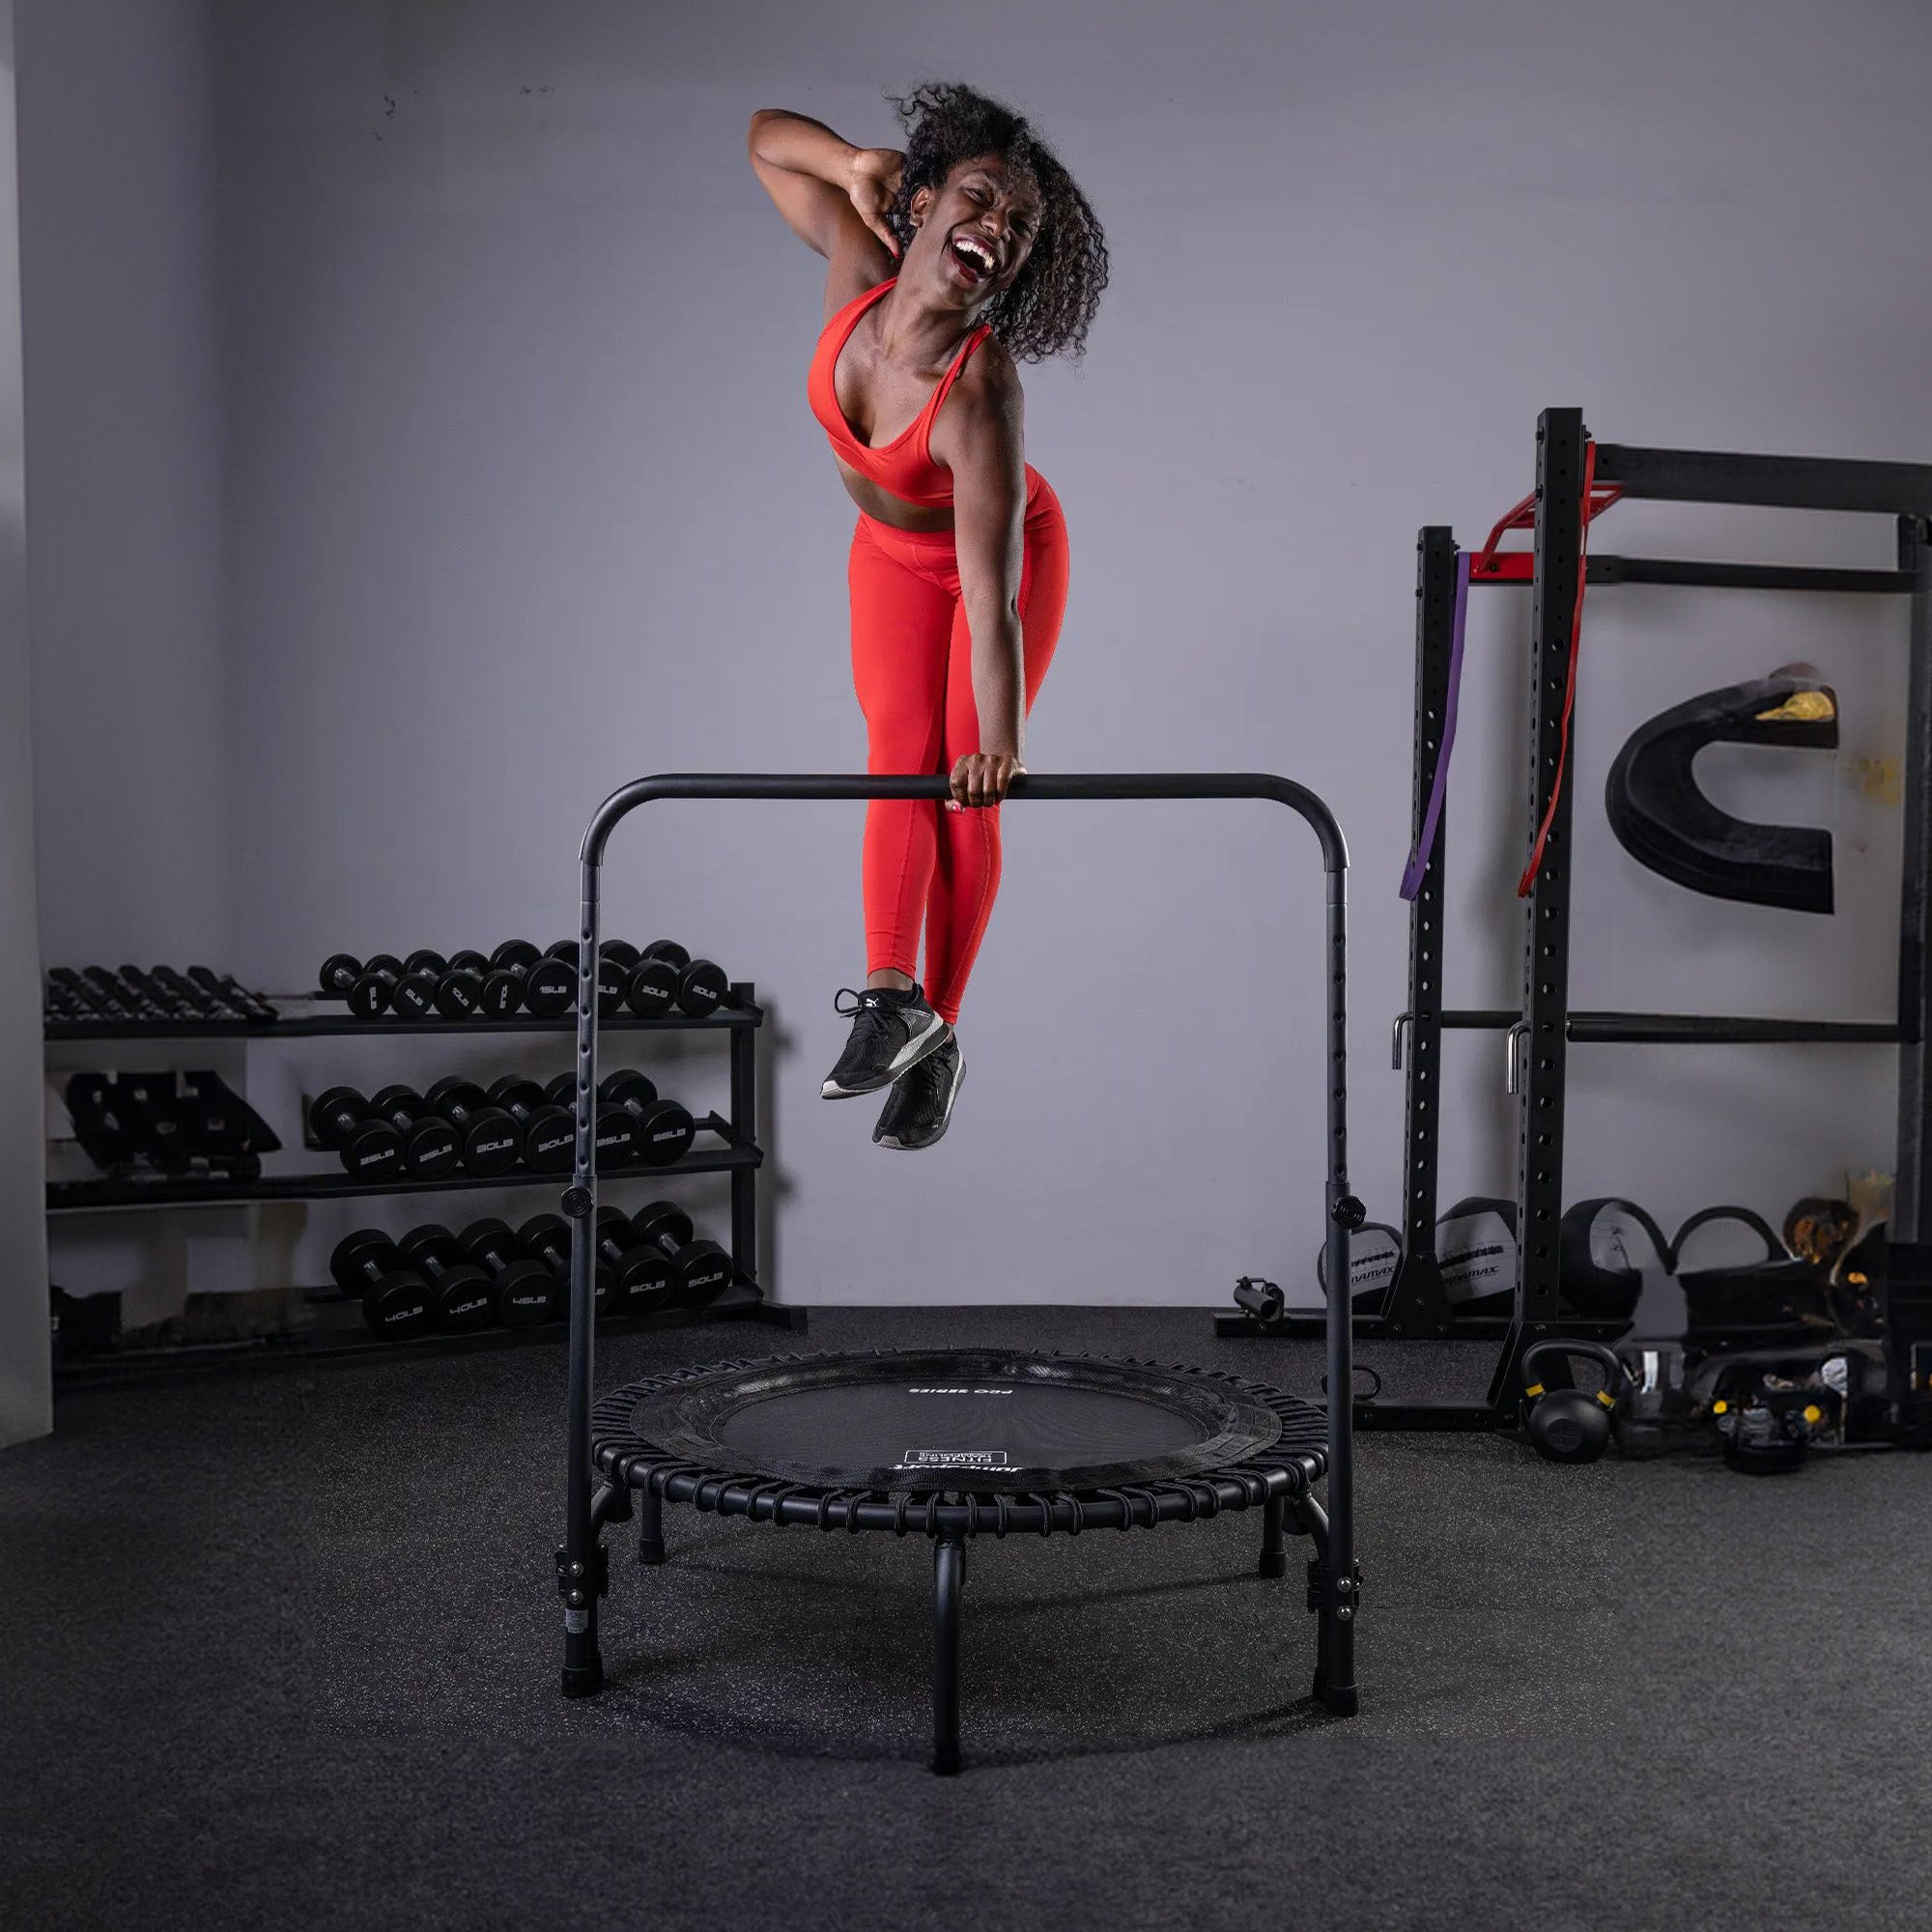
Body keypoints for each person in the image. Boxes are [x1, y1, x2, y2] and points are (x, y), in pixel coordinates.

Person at [748, 82, 1107, 1150]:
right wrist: (853, 164)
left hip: (995, 564)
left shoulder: (978, 386)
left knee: (959, 784)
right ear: (924, 200)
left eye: (1019, 226)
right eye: (980, 196)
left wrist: (1003, 744)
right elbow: (766, 143)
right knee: (894, 759)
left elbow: (992, 600)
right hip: (889, 553)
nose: (997, 225)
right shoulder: (857, 269)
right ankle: (900, 1006)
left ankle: (924, 1014)